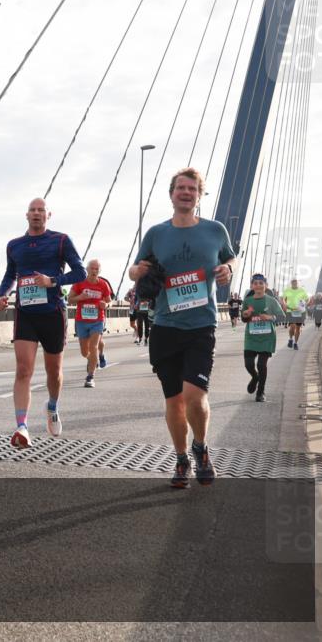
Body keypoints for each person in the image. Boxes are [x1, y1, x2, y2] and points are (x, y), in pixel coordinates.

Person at [129, 167, 236, 489]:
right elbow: (136, 269)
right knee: (174, 400)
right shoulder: (156, 233)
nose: (186, 193)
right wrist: (137, 271)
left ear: (200, 195)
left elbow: (232, 259)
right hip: (164, 326)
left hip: (201, 325)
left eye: (192, 189)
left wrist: (228, 270)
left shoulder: (215, 231)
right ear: (172, 193)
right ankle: (181, 458)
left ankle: (201, 446)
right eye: (181, 188)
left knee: (194, 395)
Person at [0, 198, 86, 447]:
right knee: (24, 370)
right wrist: (2, 295)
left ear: (48, 215)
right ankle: (22, 427)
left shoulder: (61, 240)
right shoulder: (14, 245)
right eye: (33, 210)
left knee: (53, 372)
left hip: (53, 312)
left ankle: (53, 406)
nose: (37, 214)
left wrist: (53, 281)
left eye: (41, 210)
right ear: (26, 216)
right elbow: (10, 274)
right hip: (25, 313)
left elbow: (81, 273)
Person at [241, 274, 285, 402]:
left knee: (261, 365)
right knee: (249, 365)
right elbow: (244, 318)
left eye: (261, 283)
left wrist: (270, 317)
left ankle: (260, 392)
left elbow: (282, 317)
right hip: (251, 338)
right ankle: (255, 377)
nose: (258, 285)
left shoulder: (271, 301)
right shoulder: (247, 301)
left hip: (267, 338)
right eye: (255, 283)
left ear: (266, 286)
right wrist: (246, 314)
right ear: (251, 286)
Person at [69, 259, 111, 388]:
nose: (94, 271)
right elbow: (70, 299)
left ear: (99, 271)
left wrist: (106, 305)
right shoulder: (79, 283)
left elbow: (110, 301)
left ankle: (90, 376)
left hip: (97, 320)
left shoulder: (103, 285)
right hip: (82, 321)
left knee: (93, 348)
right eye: (92, 268)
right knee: (84, 352)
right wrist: (80, 298)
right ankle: (93, 359)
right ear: (87, 270)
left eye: (96, 269)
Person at [281, 279, 309, 350]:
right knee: (292, 326)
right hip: (290, 310)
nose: (294, 284)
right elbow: (282, 298)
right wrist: (284, 304)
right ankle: (290, 339)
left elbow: (307, 299)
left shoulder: (302, 290)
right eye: (293, 283)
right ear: (291, 283)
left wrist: (304, 304)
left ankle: (295, 343)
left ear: (297, 283)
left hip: (300, 311)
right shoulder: (287, 290)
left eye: (295, 283)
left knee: (298, 328)